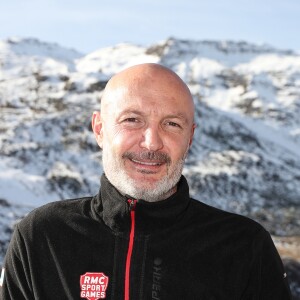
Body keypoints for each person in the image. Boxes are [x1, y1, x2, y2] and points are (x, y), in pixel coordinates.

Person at [0, 63, 291, 299]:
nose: (151, 143)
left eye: (172, 124)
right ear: (99, 129)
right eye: (132, 120)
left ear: (190, 138)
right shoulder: (43, 237)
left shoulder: (243, 247)